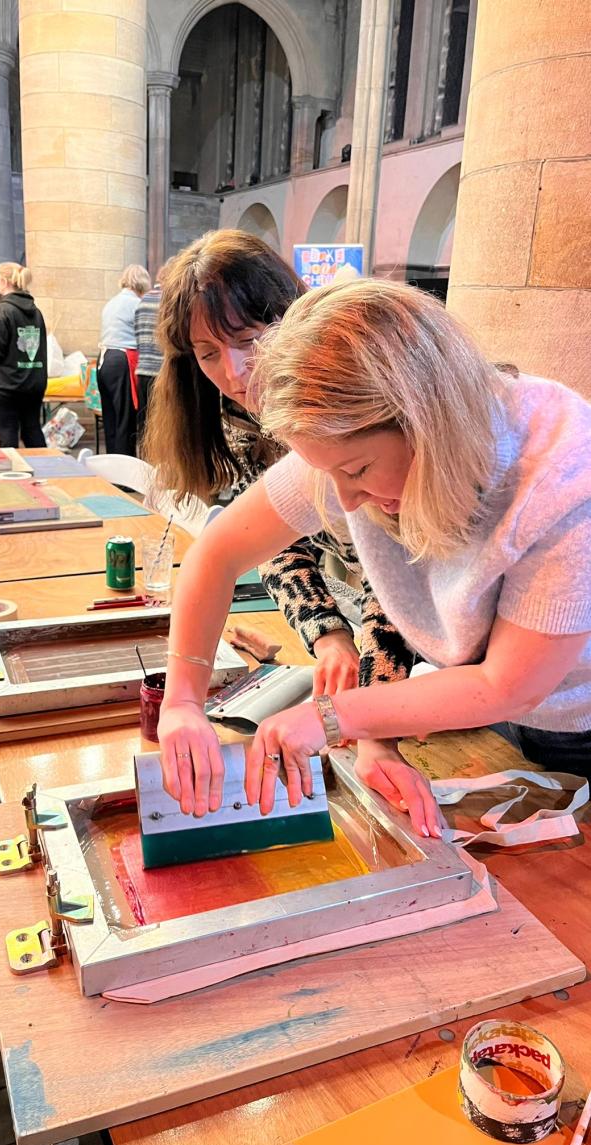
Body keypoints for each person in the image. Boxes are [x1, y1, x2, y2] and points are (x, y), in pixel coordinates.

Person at [157, 278, 591, 838]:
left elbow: (509, 684)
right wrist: (182, 702)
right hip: (481, 704)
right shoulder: (347, 443)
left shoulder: (562, 475)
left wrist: (336, 717)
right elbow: (216, 555)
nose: (344, 500)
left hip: (575, 723)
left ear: (427, 423)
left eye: (357, 470)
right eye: (328, 473)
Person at [143, 229, 416, 796]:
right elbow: (258, 547)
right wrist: (327, 635)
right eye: (208, 354)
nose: (235, 372)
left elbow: (405, 561)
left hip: (425, 636)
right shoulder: (236, 418)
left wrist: (370, 720)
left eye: (247, 338)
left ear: (288, 315)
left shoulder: (354, 386)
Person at [0, 262, 47, 447]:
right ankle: (45, 469)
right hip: (34, 382)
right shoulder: (36, 312)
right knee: (32, 429)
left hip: (7, 385)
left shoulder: (1, 312)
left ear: (3, 281)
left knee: (8, 430)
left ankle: (11, 473)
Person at [97, 264, 151, 456]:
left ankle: (112, 465)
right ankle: (124, 475)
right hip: (123, 360)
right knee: (125, 420)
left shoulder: (111, 303)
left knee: (111, 417)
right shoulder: (137, 304)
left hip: (104, 360)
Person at [134, 278, 163, 444]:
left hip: (143, 368)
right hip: (161, 370)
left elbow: (137, 335)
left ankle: (145, 462)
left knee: (144, 424)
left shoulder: (143, 301)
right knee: (162, 423)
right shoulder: (169, 299)